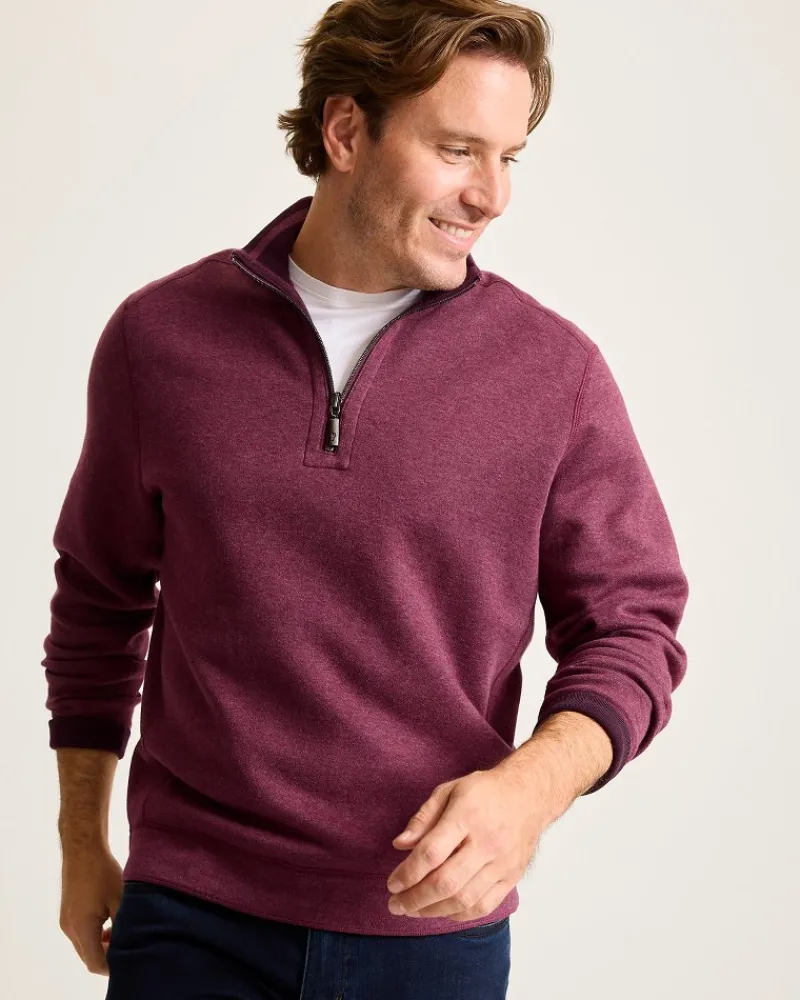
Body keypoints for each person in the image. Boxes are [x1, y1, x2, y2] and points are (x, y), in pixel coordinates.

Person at [42, 1, 690, 997]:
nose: (491, 195)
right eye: (457, 149)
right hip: (190, 920)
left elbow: (633, 627)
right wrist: (81, 838)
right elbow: (99, 598)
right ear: (346, 132)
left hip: (430, 934)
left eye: (509, 157)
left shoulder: (553, 374)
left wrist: (531, 787)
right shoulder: (160, 340)